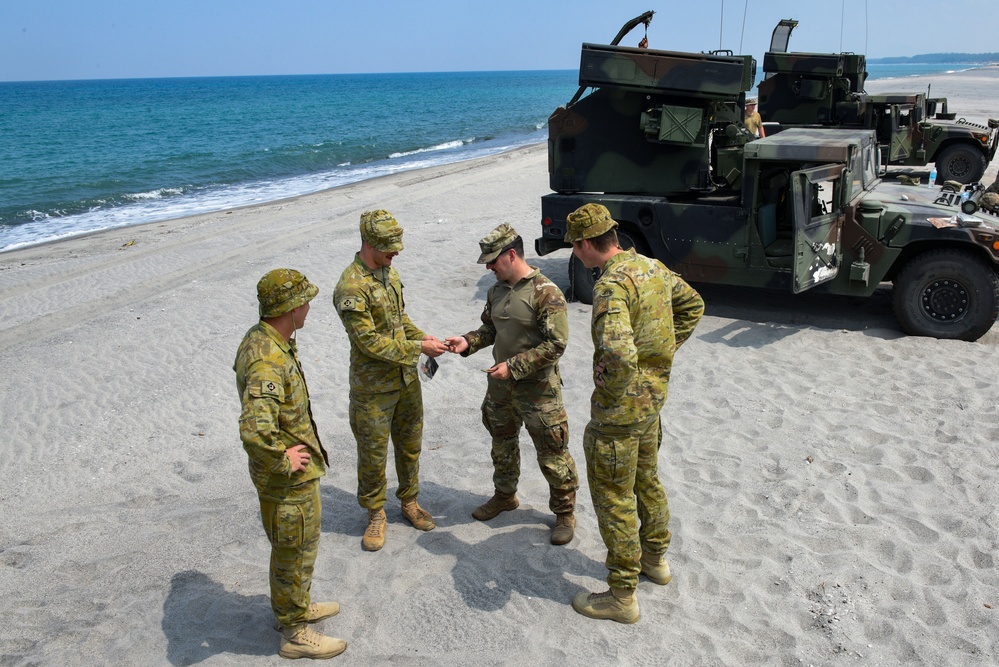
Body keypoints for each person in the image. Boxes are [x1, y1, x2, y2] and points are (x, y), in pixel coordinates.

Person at [564, 204, 704, 624]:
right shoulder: (651, 266)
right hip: (652, 401)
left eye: (574, 246)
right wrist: (658, 361)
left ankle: (622, 596)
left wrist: (611, 393)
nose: (574, 254)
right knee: (647, 481)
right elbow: (693, 305)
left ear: (586, 244)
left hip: (620, 413)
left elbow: (620, 355)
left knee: (614, 498)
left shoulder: (610, 286)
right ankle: (656, 561)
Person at [234, 268, 347, 660]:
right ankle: (295, 632)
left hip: (291, 475)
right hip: (287, 480)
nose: (310, 306)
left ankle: (295, 607)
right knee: (292, 550)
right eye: (306, 301)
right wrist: (282, 459)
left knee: (296, 547)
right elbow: (254, 429)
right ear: (292, 307)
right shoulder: (266, 358)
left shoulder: (268, 339)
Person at [444, 224, 579, 545]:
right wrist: (466, 341)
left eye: (492, 261)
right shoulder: (497, 291)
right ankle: (505, 496)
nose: (488, 267)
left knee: (553, 454)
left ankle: (564, 513)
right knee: (502, 446)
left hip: (539, 393)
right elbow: (489, 330)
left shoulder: (546, 292)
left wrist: (514, 367)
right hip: (500, 389)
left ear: (512, 254)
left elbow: (556, 344)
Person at [333, 210, 447, 552]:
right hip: (373, 390)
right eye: (388, 248)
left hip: (406, 381)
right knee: (373, 453)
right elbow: (368, 342)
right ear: (368, 243)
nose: (395, 253)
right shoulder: (350, 287)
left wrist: (423, 336)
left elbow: (400, 319)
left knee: (410, 446)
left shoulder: (388, 272)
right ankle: (375, 513)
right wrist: (418, 348)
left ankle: (409, 502)